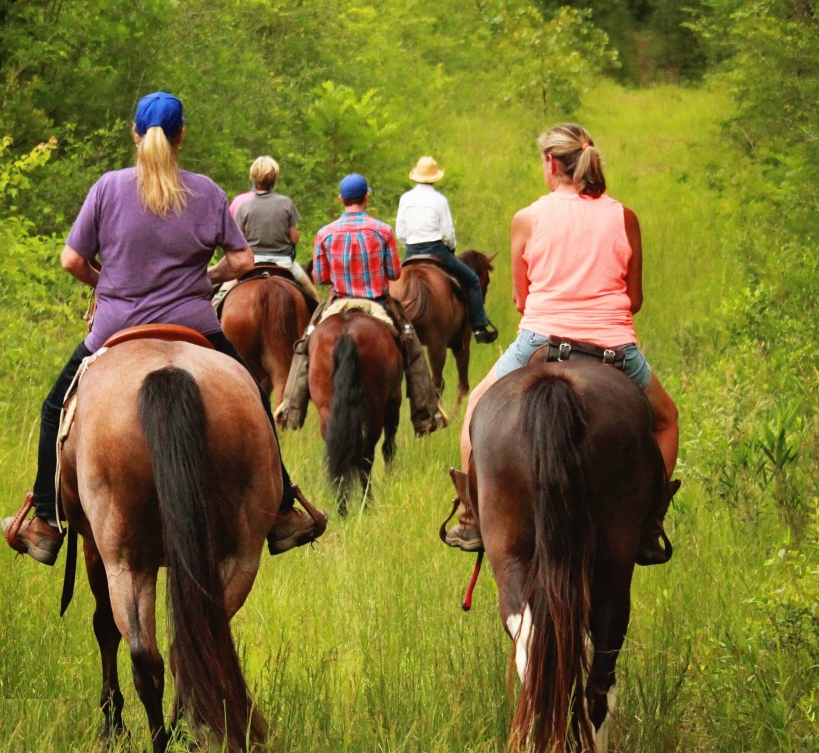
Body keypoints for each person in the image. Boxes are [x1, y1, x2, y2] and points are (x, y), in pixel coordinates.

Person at [2, 91, 326, 564]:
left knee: (54, 407)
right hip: (194, 324)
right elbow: (242, 260)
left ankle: (46, 522)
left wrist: (104, 282)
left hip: (115, 326)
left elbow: (71, 259)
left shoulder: (107, 188)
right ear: (181, 136)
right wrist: (209, 277)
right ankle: (280, 513)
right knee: (254, 398)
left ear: (135, 133)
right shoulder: (207, 191)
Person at [444, 123, 679, 564]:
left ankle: (473, 515)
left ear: (551, 163)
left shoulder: (527, 219)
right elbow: (635, 299)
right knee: (667, 421)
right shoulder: (624, 216)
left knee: (475, 409)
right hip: (614, 348)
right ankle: (650, 521)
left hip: (539, 341)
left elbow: (520, 299)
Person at [276, 173, 443, 436]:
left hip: (338, 302)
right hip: (376, 302)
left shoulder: (325, 233)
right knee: (411, 346)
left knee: (306, 344)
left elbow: (321, 277)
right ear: (366, 197)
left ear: (341, 199)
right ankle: (426, 413)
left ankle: (291, 408)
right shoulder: (383, 231)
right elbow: (395, 274)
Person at [396, 156, 498, 343]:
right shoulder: (440, 200)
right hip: (436, 250)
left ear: (416, 176)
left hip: (411, 252)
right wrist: (451, 248)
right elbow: (448, 232)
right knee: (473, 280)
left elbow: (400, 231)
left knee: (392, 285)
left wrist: (409, 245)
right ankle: (478, 326)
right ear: (435, 177)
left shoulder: (405, 198)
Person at [231, 156, 318, 303]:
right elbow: (294, 238)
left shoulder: (244, 206)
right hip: (284, 263)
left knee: (222, 294)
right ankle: (315, 323)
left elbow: (238, 239)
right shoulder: (286, 203)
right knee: (313, 296)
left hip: (252, 263)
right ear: (274, 179)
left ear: (253, 178)